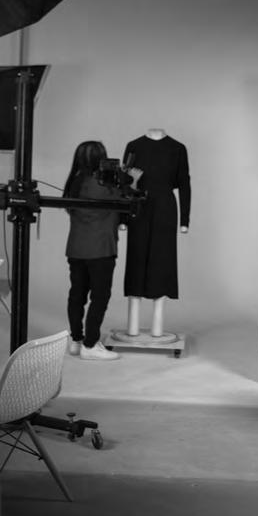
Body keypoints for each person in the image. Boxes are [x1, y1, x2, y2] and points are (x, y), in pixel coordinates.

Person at [63, 140, 142, 361]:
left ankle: (76, 340)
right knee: (99, 297)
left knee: (77, 295)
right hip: (100, 250)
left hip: (76, 249)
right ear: (101, 159)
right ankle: (90, 345)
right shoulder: (103, 185)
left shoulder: (74, 182)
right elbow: (128, 200)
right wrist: (132, 180)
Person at [121, 128, 190, 339]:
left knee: (162, 261)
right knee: (136, 259)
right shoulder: (134, 146)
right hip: (138, 207)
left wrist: (184, 220)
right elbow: (123, 182)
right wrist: (122, 217)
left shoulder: (177, 149)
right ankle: (132, 325)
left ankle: (157, 326)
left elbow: (184, 184)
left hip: (165, 209)